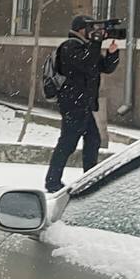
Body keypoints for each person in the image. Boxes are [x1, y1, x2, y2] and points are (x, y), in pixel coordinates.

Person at [44, 14, 120, 192]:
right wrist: (96, 42)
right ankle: (52, 181)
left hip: (84, 104)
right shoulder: (70, 46)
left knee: (93, 140)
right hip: (72, 103)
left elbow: (104, 67)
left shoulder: (87, 47)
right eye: (91, 29)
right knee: (68, 143)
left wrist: (112, 54)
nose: (94, 33)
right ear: (81, 30)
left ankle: (89, 177)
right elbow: (86, 63)